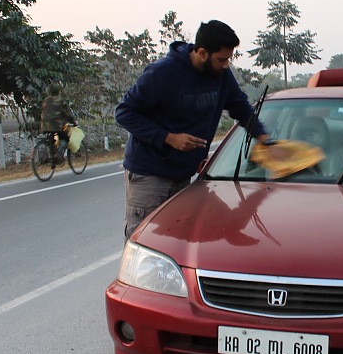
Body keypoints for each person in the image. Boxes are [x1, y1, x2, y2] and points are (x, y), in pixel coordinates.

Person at [115, 20, 276, 239]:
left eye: (229, 58)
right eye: (221, 59)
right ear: (202, 53)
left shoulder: (221, 76)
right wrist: (168, 138)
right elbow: (124, 112)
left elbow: (240, 107)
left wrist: (263, 137)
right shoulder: (163, 73)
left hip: (183, 175)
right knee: (145, 241)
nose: (226, 65)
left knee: (176, 243)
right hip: (149, 175)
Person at [40, 83, 73, 164]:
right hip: (56, 124)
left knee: (51, 139)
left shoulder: (45, 100)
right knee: (65, 138)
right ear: (58, 91)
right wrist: (73, 121)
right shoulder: (60, 100)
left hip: (44, 125)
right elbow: (67, 113)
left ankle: (52, 158)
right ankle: (58, 154)